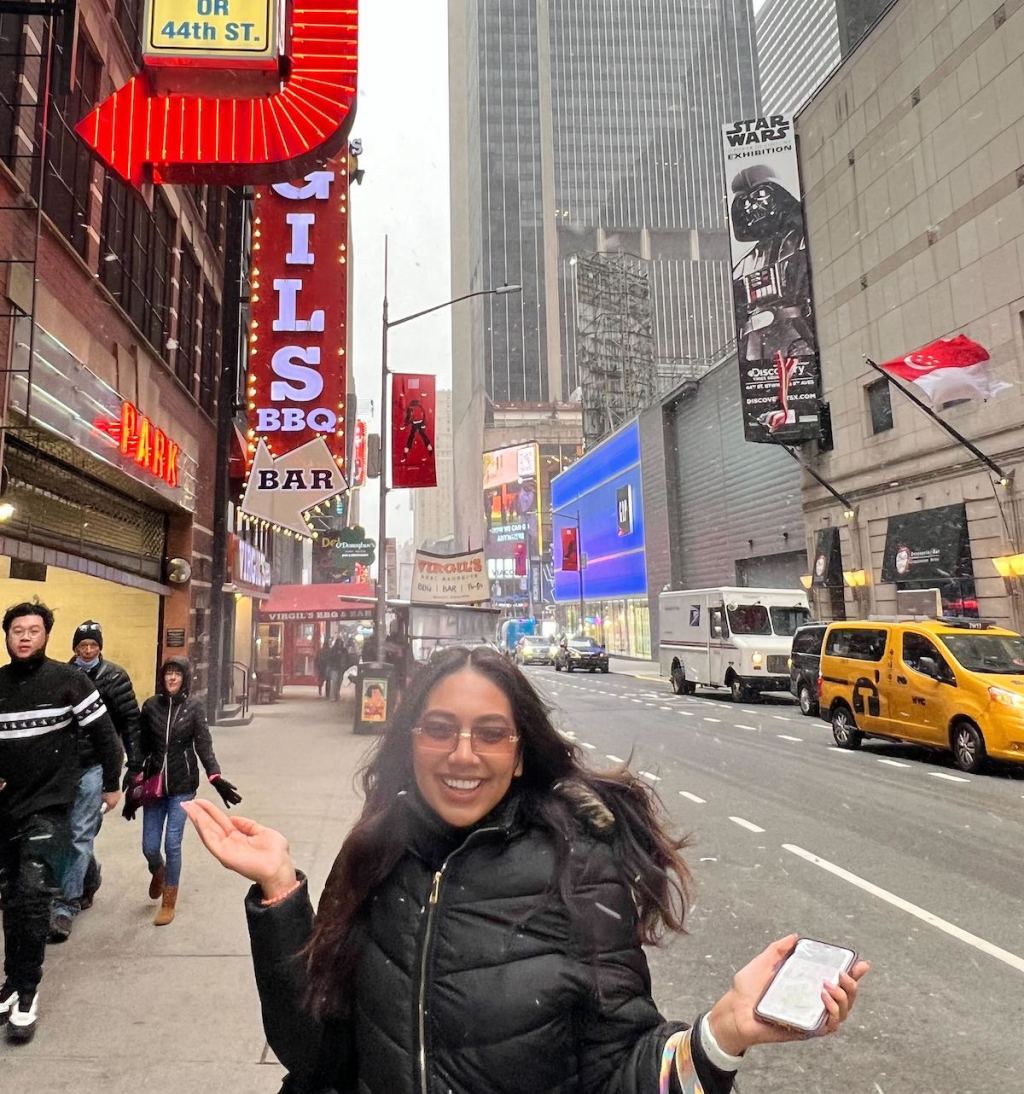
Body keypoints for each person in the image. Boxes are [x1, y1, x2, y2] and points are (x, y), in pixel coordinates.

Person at [185, 646, 869, 1093]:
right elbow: (317, 1057)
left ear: (519, 755)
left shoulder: (580, 874)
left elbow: (618, 1074)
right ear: (410, 741)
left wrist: (720, 1036)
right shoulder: (375, 851)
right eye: (439, 728)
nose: (462, 754)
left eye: (490, 734)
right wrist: (280, 895)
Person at [0, 601, 123, 1043]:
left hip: (51, 806)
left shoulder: (71, 681)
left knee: (34, 896)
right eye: (18, 630)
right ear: (8, 636)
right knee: (11, 896)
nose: (25, 637)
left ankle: (28, 995)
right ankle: (12, 982)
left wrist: (112, 783)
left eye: (34, 629)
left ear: (46, 635)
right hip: (6, 809)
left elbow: (106, 735)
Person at [126, 657, 241, 926]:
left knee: (172, 842)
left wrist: (215, 776)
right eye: (168, 674)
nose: (172, 678)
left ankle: (169, 901)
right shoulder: (151, 706)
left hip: (183, 785)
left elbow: (204, 744)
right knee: (150, 847)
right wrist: (133, 773)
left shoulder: (193, 707)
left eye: (177, 674)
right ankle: (159, 871)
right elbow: (141, 744)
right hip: (155, 784)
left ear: (185, 678)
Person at [49, 620, 144, 942]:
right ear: (74, 647)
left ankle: (65, 906)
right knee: (64, 833)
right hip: (62, 766)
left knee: (78, 834)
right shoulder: (62, 676)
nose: (87, 651)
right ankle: (89, 878)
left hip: (94, 766)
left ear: (100, 647)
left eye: (93, 645)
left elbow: (130, 721)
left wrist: (132, 766)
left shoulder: (115, 677)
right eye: (82, 645)